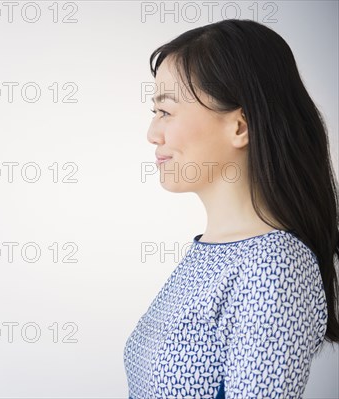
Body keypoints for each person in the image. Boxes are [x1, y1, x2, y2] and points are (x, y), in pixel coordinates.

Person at [124, 19, 339, 399]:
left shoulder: (274, 266)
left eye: (166, 112)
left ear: (240, 126)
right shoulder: (209, 252)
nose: (152, 134)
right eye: (154, 112)